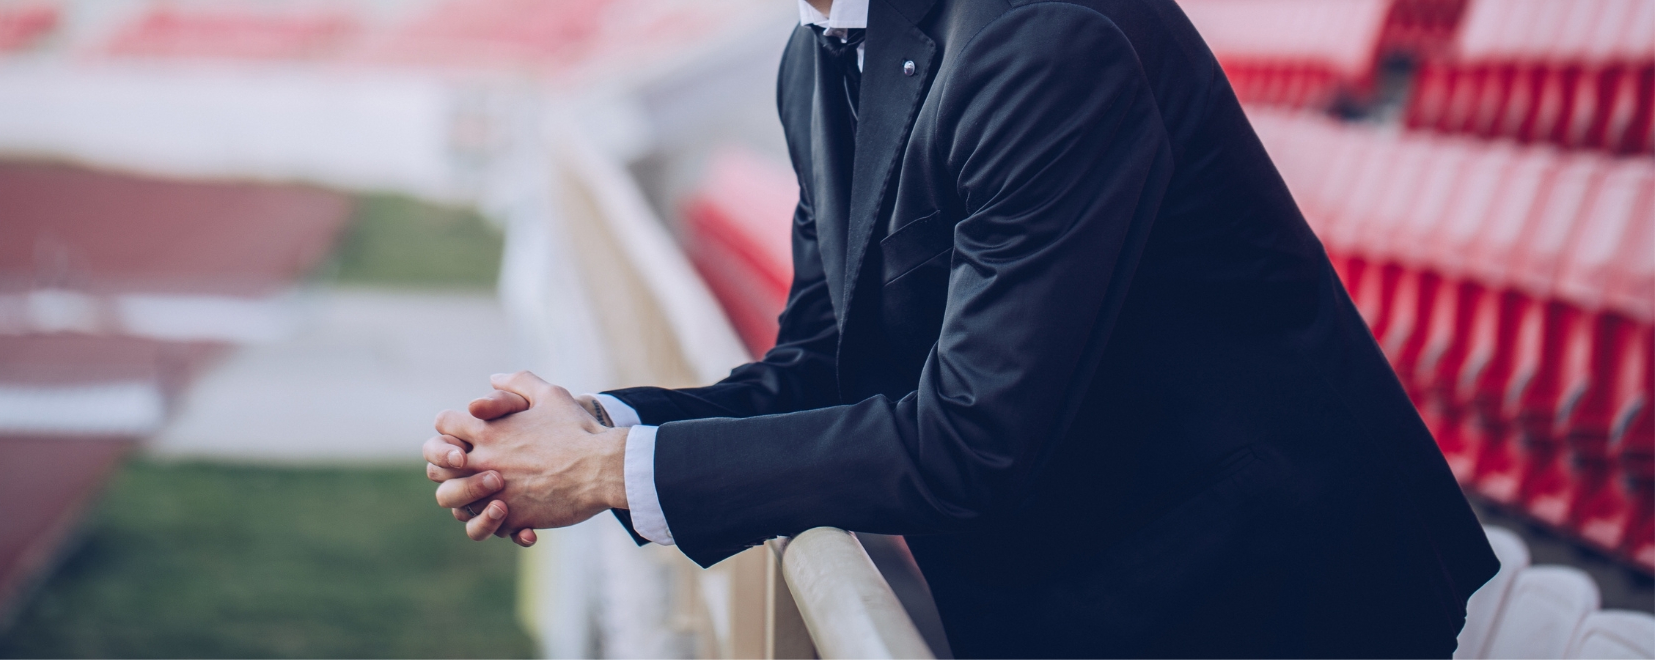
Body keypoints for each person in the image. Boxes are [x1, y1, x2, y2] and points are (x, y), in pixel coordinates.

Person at [423, 0, 1500, 656]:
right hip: (1113, 580)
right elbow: (822, 363)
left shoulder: (1050, 40)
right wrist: (590, 426)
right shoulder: (819, 52)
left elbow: (971, 442)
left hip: (1271, 608)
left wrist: (612, 471)